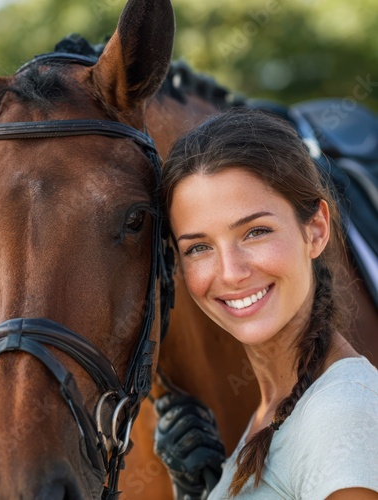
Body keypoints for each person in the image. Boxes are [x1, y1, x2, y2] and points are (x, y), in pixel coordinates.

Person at [153, 107, 378, 499]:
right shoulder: (271, 411)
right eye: (199, 247)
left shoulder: (340, 414)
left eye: (256, 231)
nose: (231, 272)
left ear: (316, 230)